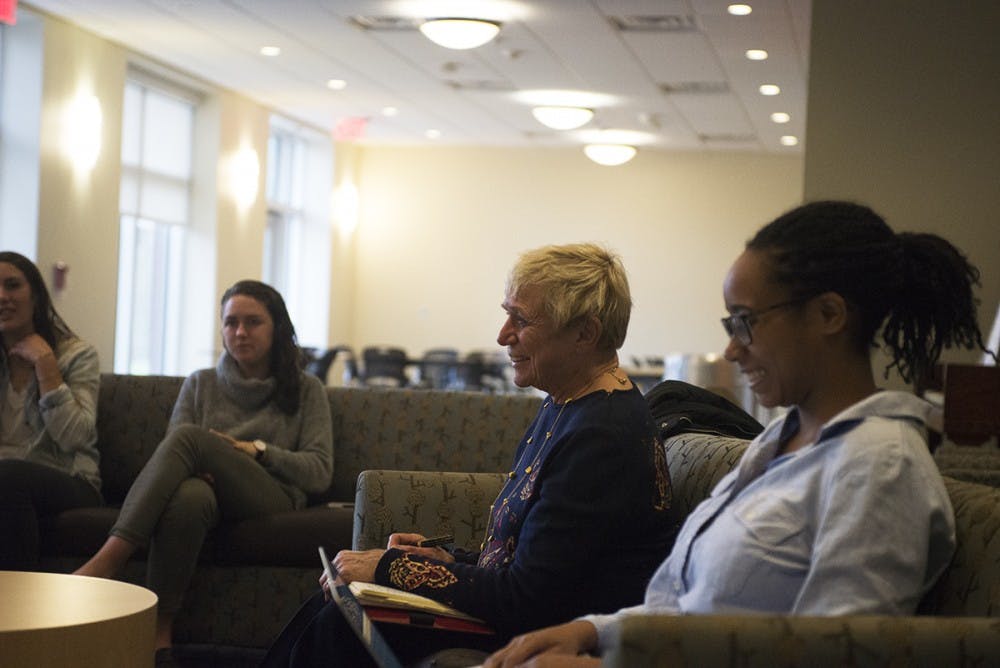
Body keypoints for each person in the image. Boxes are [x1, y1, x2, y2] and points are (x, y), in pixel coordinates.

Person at [484, 200, 996, 667]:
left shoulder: (880, 467)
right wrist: (590, 631)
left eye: (746, 322)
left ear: (828, 315)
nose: (732, 350)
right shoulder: (782, 441)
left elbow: (833, 657)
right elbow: (684, 606)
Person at [261, 243, 675, 667]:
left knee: (340, 622)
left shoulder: (601, 435)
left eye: (521, 320)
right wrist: (447, 559)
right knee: (336, 602)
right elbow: (535, 561)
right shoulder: (568, 403)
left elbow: (528, 598)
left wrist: (391, 569)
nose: (502, 335)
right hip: (529, 608)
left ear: (584, 334)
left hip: (551, 631)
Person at [75, 280, 333, 663]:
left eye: (253, 322)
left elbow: (320, 471)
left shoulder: (307, 388)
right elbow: (173, 456)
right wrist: (211, 464)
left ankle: (107, 560)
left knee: (192, 439)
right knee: (189, 497)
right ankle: (160, 634)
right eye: (231, 322)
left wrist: (257, 452)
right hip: (205, 492)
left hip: (272, 496)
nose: (240, 332)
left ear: (277, 328)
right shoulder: (201, 383)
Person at [0, 251, 102, 570]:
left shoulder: (77, 355)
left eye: (12, 285)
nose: (2, 297)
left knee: (8, 477)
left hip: (68, 476)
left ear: (36, 296)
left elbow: (76, 436)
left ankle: (16, 597)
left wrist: (46, 366)